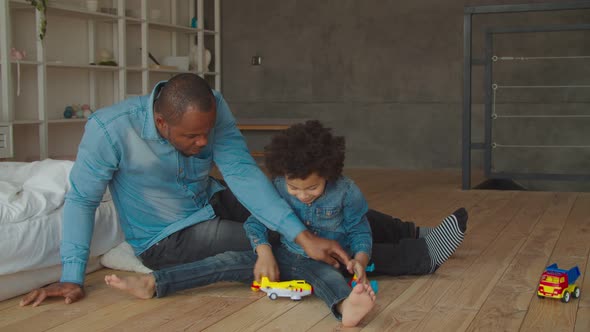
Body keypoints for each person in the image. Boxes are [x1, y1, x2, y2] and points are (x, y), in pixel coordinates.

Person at [19, 74, 350, 307]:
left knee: (315, 213)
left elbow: (239, 171)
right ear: (162, 124)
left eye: (206, 132)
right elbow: (82, 200)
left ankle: (397, 231)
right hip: (168, 236)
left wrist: (305, 234)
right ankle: (382, 256)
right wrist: (72, 277)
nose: (204, 142)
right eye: (192, 137)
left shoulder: (212, 106)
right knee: (284, 242)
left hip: (210, 197)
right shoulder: (110, 129)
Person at [103, 120, 467, 327]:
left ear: (329, 174)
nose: (303, 195)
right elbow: (259, 224)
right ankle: (154, 283)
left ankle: (350, 306)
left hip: (327, 255)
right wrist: (262, 251)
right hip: (281, 254)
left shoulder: (347, 192)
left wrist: (359, 255)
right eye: (295, 188)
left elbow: (359, 229)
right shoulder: (277, 188)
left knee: (336, 275)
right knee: (222, 263)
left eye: (312, 188)